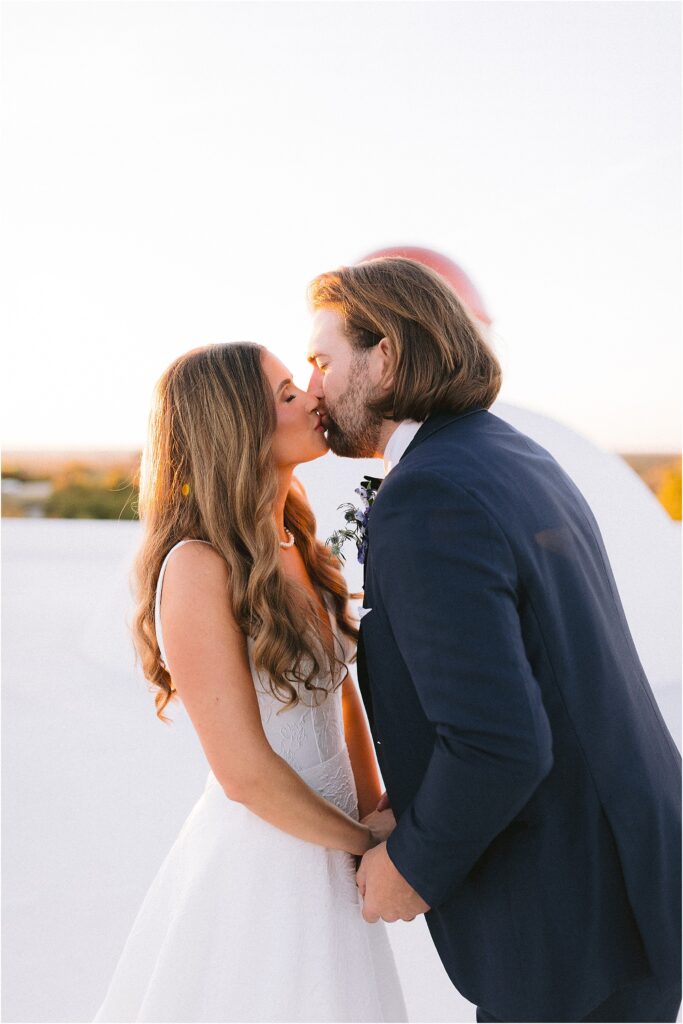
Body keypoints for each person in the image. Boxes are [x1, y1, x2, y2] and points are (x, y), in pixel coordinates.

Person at [306, 256, 682, 1024]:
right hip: (623, 873)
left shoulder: (428, 494)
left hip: (562, 910)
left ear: (386, 357)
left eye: (322, 359)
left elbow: (499, 739)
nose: (313, 385)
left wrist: (410, 867)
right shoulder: (507, 452)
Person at [93, 342, 407, 1023]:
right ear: (235, 427)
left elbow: (338, 691)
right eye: (287, 395)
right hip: (269, 859)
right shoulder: (198, 567)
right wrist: (367, 846)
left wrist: (375, 802)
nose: (313, 399)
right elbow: (245, 773)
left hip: (334, 838)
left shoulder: (297, 541)